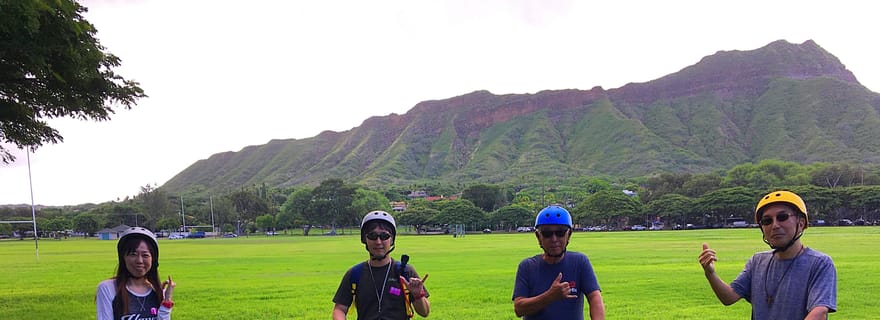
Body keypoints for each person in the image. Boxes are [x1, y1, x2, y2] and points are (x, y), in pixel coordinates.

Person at [699, 190, 837, 319]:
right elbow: (729, 297)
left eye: (782, 217)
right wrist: (710, 273)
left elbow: (819, 311)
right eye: (767, 221)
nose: (775, 225)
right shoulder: (757, 261)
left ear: (801, 223)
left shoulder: (819, 263)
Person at [332, 210, 430, 319]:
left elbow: (424, 313)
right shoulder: (355, 274)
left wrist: (418, 295)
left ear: (392, 240)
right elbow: (339, 309)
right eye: (372, 236)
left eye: (384, 236)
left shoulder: (405, 272)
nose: (378, 242)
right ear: (364, 239)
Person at [513, 205, 605, 320]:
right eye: (547, 233)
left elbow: (595, 298)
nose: (554, 239)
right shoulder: (527, 266)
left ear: (569, 235)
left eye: (560, 232)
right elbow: (519, 309)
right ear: (538, 236)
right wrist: (550, 296)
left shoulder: (580, 262)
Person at [96, 227, 176, 320]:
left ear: (153, 260)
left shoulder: (157, 291)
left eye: (145, 255)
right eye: (133, 254)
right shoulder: (108, 288)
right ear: (123, 258)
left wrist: (166, 301)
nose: (139, 261)